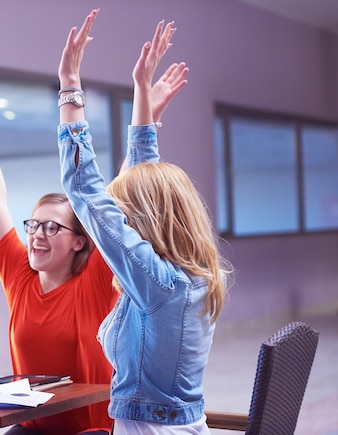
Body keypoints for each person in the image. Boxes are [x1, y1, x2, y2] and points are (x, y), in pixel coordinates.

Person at [0, 33, 188, 435]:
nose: (37, 236)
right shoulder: (19, 276)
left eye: (52, 227)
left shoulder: (98, 277)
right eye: (33, 225)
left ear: (81, 240)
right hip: (31, 428)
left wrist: (146, 112)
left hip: (92, 432)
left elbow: (126, 195)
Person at [57, 10, 232, 434]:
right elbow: (146, 185)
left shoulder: (160, 285)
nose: (124, 222)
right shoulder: (191, 279)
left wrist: (69, 88)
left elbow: (85, 191)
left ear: (144, 222)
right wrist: (143, 107)